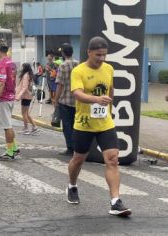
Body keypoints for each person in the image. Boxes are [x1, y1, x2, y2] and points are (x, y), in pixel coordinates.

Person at [67, 36, 131, 217]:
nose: (102, 59)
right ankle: (72, 185)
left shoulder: (109, 68)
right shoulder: (78, 71)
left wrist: (109, 105)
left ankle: (115, 202)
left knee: (112, 159)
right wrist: (97, 99)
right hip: (84, 123)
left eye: (104, 55)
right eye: (98, 55)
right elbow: (77, 94)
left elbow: (111, 89)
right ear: (89, 52)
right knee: (78, 160)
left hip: (105, 123)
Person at [0, 39, 19, 160]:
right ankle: (14, 147)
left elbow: (1, 83)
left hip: (4, 98)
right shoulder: (11, 62)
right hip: (10, 96)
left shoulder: (2, 64)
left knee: (7, 126)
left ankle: (10, 151)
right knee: (8, 124)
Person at [54, 43, 79, 156]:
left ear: (63, 53)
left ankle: (70, 148)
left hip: (65, 100)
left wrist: (56, 99)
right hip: (78, 100)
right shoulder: (78, 64)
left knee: (67, 126)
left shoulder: (62, 66)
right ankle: (77, 147)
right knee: (76, 125)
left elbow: (60, 85)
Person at [15, 63, 38, 135]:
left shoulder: (25, 75)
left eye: (22, 67)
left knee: (24, 113)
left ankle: (26, 128)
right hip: (29, 96)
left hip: (25, 96)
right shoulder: (30, 75)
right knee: (27, 113)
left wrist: (18, 96)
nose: (21, 69)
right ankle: (34, 127)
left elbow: (24, 88)